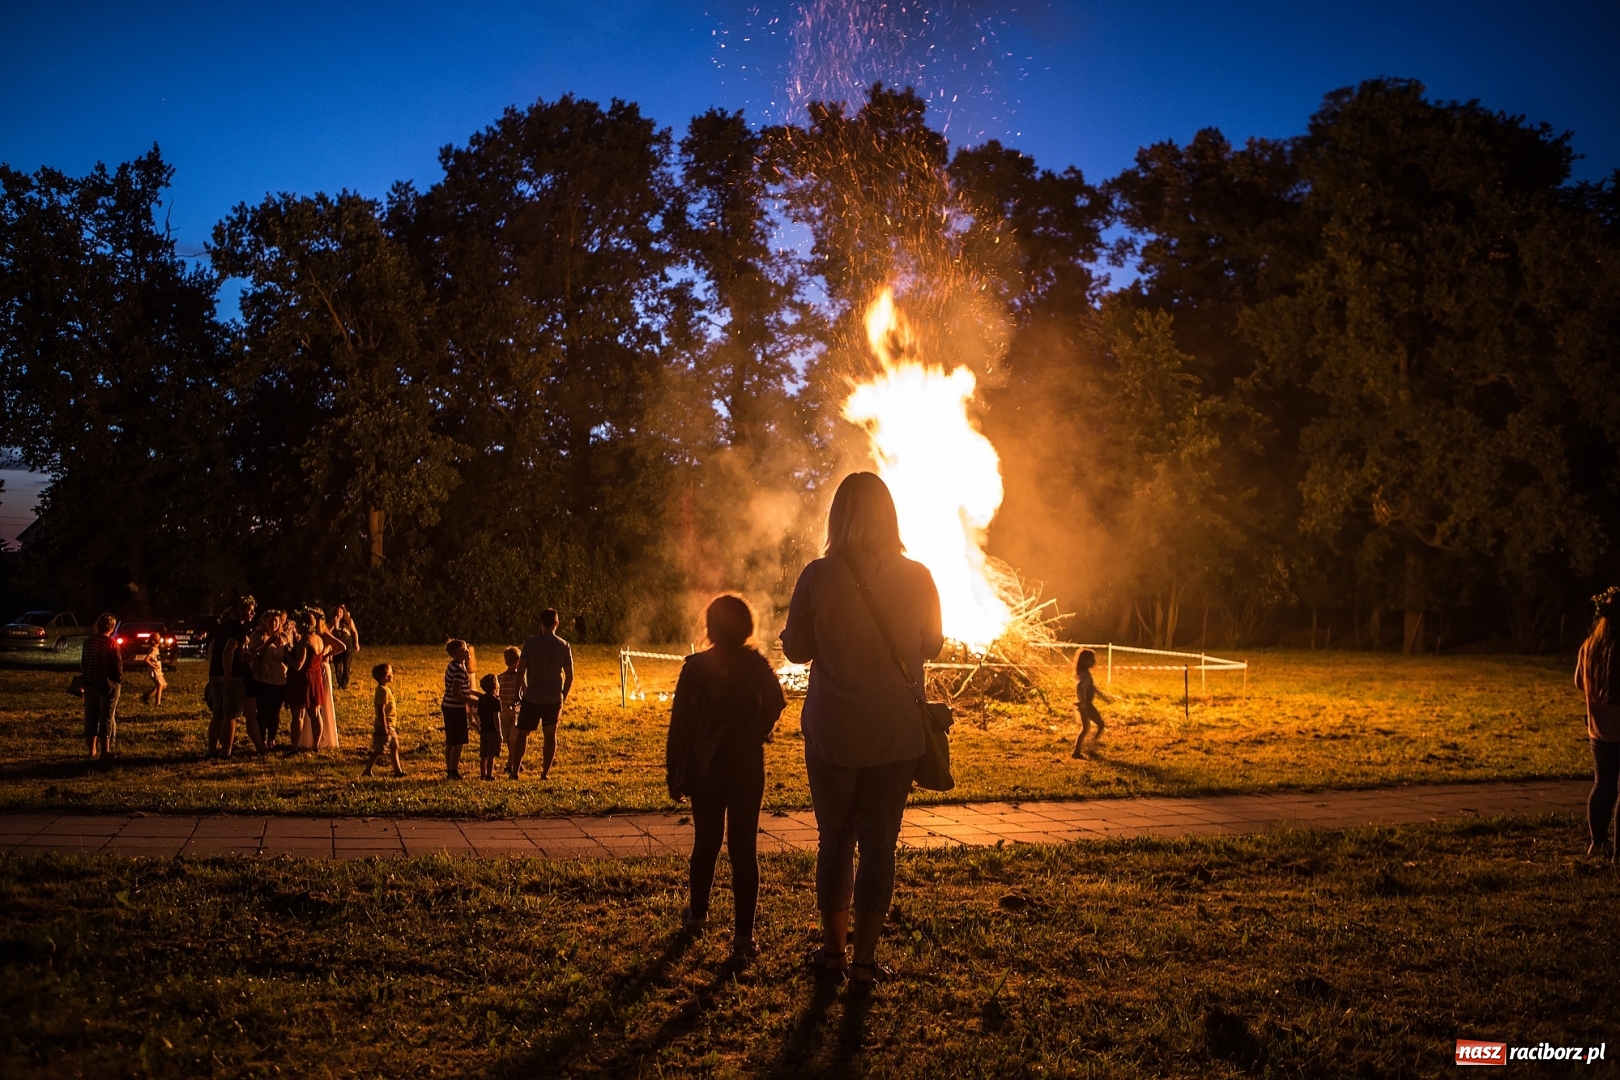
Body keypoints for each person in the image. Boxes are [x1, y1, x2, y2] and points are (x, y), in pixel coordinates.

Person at [781, 472, 944, 988]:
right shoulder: (919, 576)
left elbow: (797, 650)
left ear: (837, 517)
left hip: (833, 732)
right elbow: (934, 645)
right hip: (895, 734)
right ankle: (866, 964)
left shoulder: (817, 575)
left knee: (835, 841)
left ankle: (833, 956)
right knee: (880, 846)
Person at [666, 594, 786, 965]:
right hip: (746, 766)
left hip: (706, 767)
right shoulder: (755, 665)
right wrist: (754, 732)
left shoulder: (695, 667)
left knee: (706, 842)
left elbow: (680, 724)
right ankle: (743, 937)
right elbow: (777, 701)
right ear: (747, 626)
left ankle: (698, 915)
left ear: (710, 627)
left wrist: (676, 770)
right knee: (743, 849)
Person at [1576, 587, 1620, 858]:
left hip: (1599, 731)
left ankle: (1598, 842)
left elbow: (1579, 682)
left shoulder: (1590, 646)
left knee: (1602, 786)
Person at [514, 609, 574, 780]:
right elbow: (570, 676)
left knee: (522, 733)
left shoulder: (530, 642)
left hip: (532, 696)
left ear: (540, 623)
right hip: (553, 698)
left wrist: (517, 692)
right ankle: (544, 773)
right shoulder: (564, 645)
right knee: (550, 734)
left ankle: (515, 771)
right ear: (557, 623)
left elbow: (521, 671)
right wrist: (563, 695)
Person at [206, 597, 255, 758]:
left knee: (217, 714)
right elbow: (228, 651)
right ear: (240, 610)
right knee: (230, 715)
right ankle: (226, 750)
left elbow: (217, 650)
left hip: (215, 673)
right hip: (231, 675)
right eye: (249, 610)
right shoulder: (239, 629)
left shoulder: (221, 627)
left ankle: (211, 749)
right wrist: (228, 673)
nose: (252, 613)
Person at [81, 613, 123, 762]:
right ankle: (105, 752)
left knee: (91, 717)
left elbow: (84, 663)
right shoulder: (112, 644)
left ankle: (91, 750)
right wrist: (117, 682)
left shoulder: (88, 642)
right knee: (105, 718)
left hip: (89, 683)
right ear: (111, 627)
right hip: (106, 686)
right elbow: (118, 669)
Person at [249, 611, 291, 749]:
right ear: (264, 623)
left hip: (279, 678)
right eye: (270, 621)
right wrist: (269, 642)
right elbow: (254, 653)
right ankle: (261, 740)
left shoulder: (283, 636)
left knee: (275, 711)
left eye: (276, 621)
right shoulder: (258, 636)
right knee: (262, 710)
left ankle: (272, 739)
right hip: (263, 678)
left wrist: (283, 645)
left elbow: (288, 656)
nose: (273, 624)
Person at [362, 662, 405, 778]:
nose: (393, 675)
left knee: (394, 746)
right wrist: (384, 726)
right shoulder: (383, 691)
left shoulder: (385, 689)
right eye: (391, 673)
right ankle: (367, 770)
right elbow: (381, 710)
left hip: (390, 725)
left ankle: (398, 771)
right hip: (385, 726)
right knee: (379, 749)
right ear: (386, 677)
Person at [1072, 648, 1116, 758]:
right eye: (1092, 659)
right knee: (1099, 725)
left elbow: (1092, 688)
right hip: (1086, 706)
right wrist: (1082, 701)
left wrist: (1103, 697)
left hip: (1085, 705)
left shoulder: (1084, 673)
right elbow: (1080, 686)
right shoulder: (1085, 675)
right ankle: (1090, 747)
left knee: (1086, 728)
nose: (1094, 662)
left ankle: (1079, 751)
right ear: (1085, 661)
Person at [441, 639, 475, 780]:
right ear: (456, 654)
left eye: (467, 648)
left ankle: (449, 769)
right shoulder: (460, 671)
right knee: (458, 741)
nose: (467, 651)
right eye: (463, 650)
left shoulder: (453, 665)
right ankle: (453, 771)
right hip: (455, 708)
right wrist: (471, 701)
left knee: (450, 740)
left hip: (447, 705)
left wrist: (476, 694)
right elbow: (456, 693)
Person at [476, 673, 503, 780]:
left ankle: (482, 774)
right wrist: (499, 733)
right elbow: (496, 718)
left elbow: (478, 713)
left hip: (483, 729)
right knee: (491, 754)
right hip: (492, 730)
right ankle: (489, 774)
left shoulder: (482, 699)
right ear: (495, 686)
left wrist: (479, 726)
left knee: (483, 754)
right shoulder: (496, 701)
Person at [496, 646, 522, 756]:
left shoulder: (499, 678)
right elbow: (524, 692)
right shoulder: (520, 677)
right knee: (514, 738)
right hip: (516, 710)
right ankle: (512, 761)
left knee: (507, 737)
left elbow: (497, 695)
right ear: (518, 661)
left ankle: (512, 761)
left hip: (503, 710)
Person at [332, 604, 360, 690]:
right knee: (337, 667)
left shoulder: (349, 621)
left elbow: (355, 632)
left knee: (346, 665)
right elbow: (328, 633)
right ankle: (339, 683)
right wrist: (335, 626)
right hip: (337, 647)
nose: (338, 613)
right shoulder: (334, 621)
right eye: (337, 612)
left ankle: (344, 684)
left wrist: (356, 643)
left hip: (347, 647)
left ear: (344, 612)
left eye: (340, 611)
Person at [138, 638, 166, 706]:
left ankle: (147, 696)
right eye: (159, 638)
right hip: (155, 671)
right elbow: (146, 659)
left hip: (158, 671)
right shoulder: (153, 650)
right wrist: (153, 666)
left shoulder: (156, 649)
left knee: (164, 685)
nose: (161, 639)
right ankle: (158, 703)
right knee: (160, 685)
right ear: (153, 641)